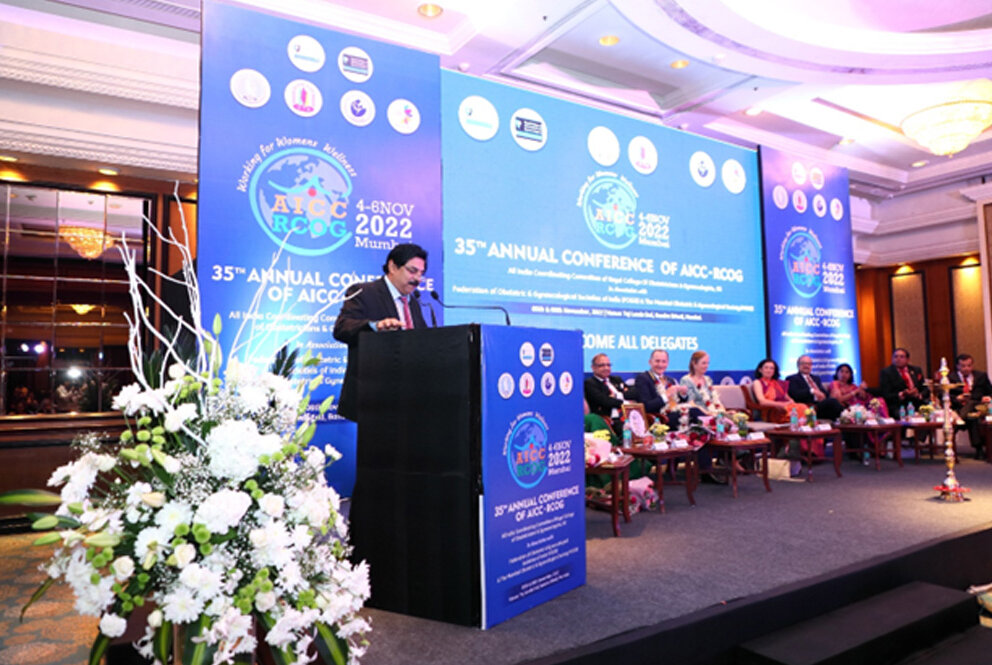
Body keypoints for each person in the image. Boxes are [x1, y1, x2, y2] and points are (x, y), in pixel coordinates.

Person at [332, 243, 428, 421]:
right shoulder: (363, 292)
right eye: (412, 271)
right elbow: (341, 328)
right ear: (393, 266)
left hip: (407, 397)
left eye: (421, 273)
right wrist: (375, 326)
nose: (418, 279)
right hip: (372, 395)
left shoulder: (413, 303)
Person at [948, 353, 992, 458]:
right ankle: (979, 449)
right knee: (972, 417)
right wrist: (957, 398)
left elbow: (990, 392)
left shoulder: (981, 376)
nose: (966, 368)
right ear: (958, 366)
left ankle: (959, 419)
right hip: (958, 407)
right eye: (963, 366)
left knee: (972, 406)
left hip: (977, 406)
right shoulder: (951, 378)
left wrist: (987, 397)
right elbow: (945, 395)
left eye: (969, 365)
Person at [583, 353, 636, 435]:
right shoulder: (590, 383)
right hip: (610, 419)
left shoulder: (616, 379)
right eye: (602, 365)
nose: (606, 368)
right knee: (628, 430)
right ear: (593, 367)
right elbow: (605, 401)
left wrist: (618, 395)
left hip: (628, 416)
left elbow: (633, 393)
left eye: (608, 365)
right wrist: (625, 403)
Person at [786, 355, 843, 421]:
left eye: (809, 364)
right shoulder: (792, 378)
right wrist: (812, 391)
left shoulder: (816, 378)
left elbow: (824, 393)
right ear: (798, 365)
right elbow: (795, 394)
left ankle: (844, 419)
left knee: (834, 402)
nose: (806, 366)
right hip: (808, 407)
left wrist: (828, 395)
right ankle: (845, 416)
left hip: (821, 405)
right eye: (803, 363)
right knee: (833, 403)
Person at [752, 358, 807, 424]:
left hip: (784, 407)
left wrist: (791, 401)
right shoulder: (757, 382)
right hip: (771, 410)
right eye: (766, 368)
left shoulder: (777, 383)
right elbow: (762, 402)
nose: (769, 370)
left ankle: (803, 427)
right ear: (760, 370)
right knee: (795, 411)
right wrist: (781, 404)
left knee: (802, 407)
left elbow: (787, 397)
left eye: (771, 368)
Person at [633, 349, 684, 420]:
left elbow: (679, 401)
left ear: (667, 363)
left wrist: (683, 394)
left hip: (676, 412)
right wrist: (666, 395)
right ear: (650, 362)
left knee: (692, 412)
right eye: (657, 361)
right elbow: (646, 407)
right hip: (659, 418)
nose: (660, 365)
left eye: (664, 361)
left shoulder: (670, 380)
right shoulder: (643, 379)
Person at [879, 348, 930, 418]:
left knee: (928, 412)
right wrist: (901, 394)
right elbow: (885, 393)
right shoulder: (886, 372)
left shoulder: (916, 370)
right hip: (898, 405)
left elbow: (925, 388)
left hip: (917, 403)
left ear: (907, 359)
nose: (898, 359)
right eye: (895, 357)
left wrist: (918, 395)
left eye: (901, 357)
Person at [679, 351, 722, 416]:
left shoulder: (708, 379)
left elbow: (716, 400)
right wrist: (708, 413)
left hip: (713, 413)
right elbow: (691, 404)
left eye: (708, 363)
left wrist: (723, 413)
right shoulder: (686, 380)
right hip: (698, 415)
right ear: (694, 363)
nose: (706, 366)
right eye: (704, 363)